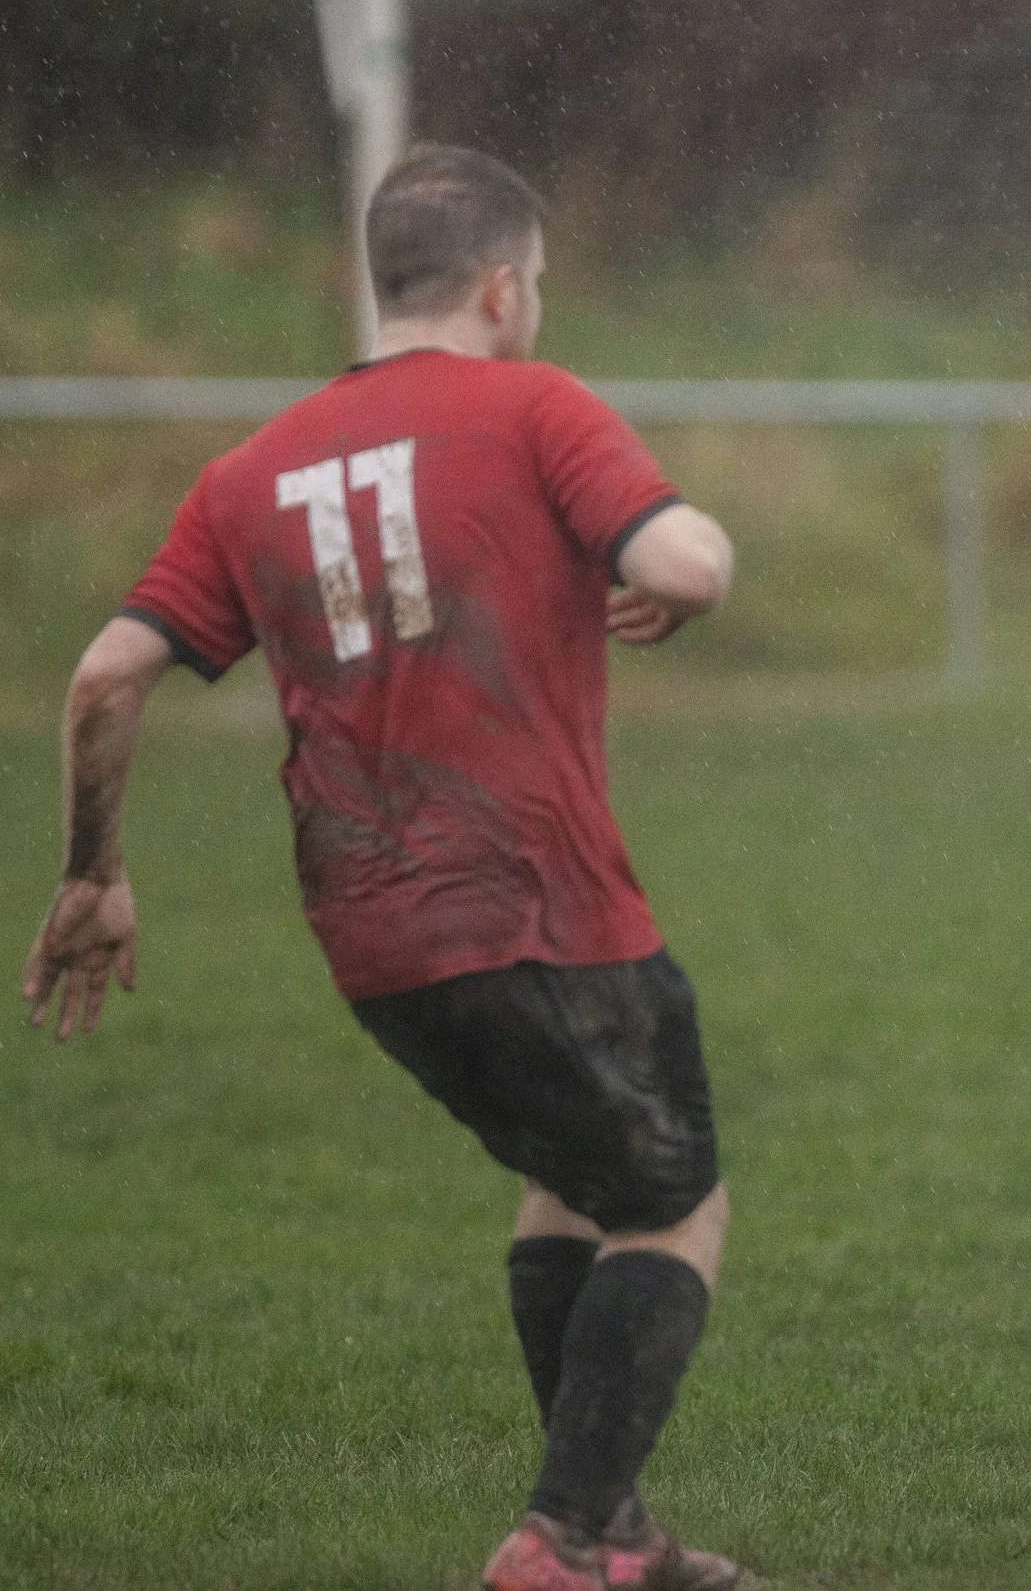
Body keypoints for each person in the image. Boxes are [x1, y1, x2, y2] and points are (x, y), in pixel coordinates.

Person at [20, 144, 744, 1591]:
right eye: (533, 285)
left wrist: (93, 873)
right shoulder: (535, 402)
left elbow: (105, 676)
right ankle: (557, 1538)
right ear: (499, 286)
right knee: (675, 1205)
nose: (534, 308)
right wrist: (669, 554)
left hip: (371, 938)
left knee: (567, 1178)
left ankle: (620, 1538)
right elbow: (689, 567)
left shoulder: (249, 470)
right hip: (544, 903)